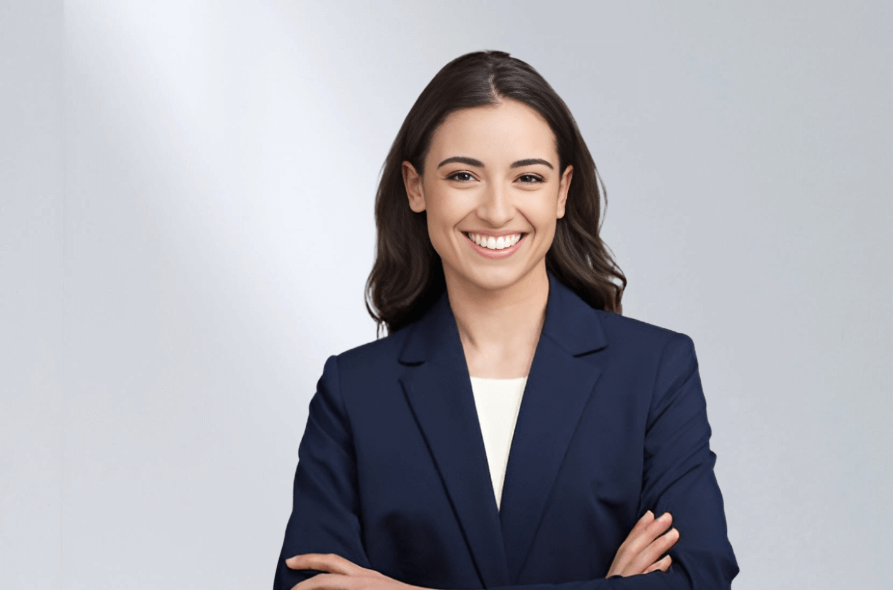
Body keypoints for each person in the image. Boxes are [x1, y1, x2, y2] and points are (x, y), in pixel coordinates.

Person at [274, 50, 738, 590]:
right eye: (464, 175)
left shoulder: (654, 370)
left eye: (528, 178)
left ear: (562, 192)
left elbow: (698, 579)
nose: (496, 211)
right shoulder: (353, 392)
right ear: (416, 186)